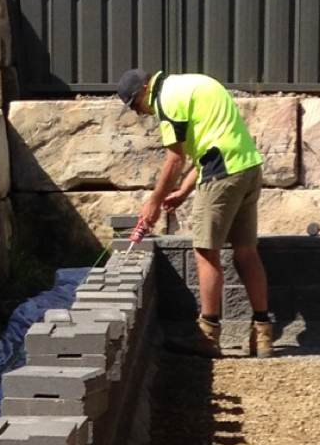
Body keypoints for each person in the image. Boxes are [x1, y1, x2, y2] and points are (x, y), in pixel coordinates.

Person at [116, 67, 274, 359]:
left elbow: (175, 159)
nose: (140, 114)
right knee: (246, 252)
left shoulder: (166, 101)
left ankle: (208, 334)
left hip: (222, 175)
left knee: (205, 251)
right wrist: (184, 192)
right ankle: (263, 334)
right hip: (249, 167)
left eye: (136, 106)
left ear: (144, 91)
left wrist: (153, 201)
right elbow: (208, 146)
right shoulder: (194, 84)